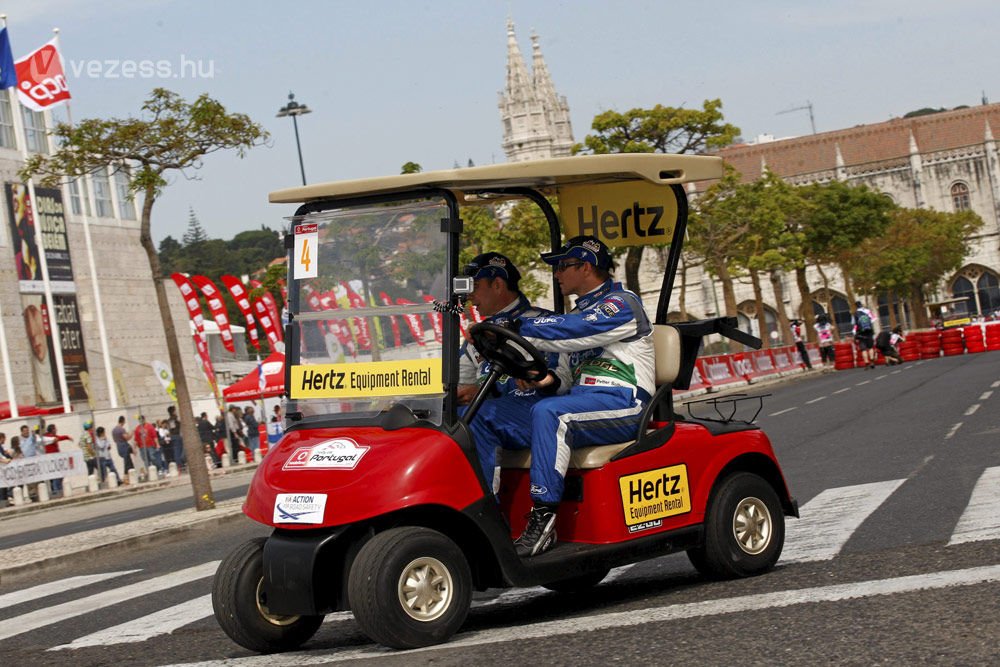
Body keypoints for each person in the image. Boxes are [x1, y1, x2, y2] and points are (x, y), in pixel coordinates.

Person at [504, 236, 654, 557]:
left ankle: (542, 520)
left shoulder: (621, 304)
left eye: (562, 266)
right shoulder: (579, 313)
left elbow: (573, 330)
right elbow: (562, 380)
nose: (557, 274)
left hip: (625, 404)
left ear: (585, 267)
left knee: (552, 413)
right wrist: (538, 379)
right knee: (514, 414)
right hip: (586, 404)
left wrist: (519, 325)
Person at [458, 252, 557, 494]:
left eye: (475, 286)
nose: (470, 296)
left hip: (535, 411)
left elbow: (553, 379)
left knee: (473, 418)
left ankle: (485, 510)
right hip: (494, 411)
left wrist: (485, 392)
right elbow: (462, 385)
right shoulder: (477, 334)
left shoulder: (545, 323)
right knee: (440, 419)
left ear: (498, 284)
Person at [853, 300, 877, 369]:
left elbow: (855, 324)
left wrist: (855, 333)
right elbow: (874, 319)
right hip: (869, 332)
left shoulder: (855, 313)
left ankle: (866, 362)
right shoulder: (867, 311)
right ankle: (872, 360)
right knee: (870, 347)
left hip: (861, 333)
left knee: (863, 349)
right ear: (861, 305)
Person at [111, 415, 135, 481]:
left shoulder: (114, 430)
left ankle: (131, 475)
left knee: (129, 461)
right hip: (124, 446)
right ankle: (126, 476)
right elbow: (127, 438)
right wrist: (131, 434)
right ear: (123, 421)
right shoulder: (121, 429)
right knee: (127, 461)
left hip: (118, 446)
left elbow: (114, 440)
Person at [165, 405, 187, 471]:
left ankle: (181, 464)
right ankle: (180, 465)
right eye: (175, 410)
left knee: (179, 451)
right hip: (176, 436)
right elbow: (173, 428)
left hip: (176, 436)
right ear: (173, 411)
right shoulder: (172, 419)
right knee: (178, 452)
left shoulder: (174, 419)